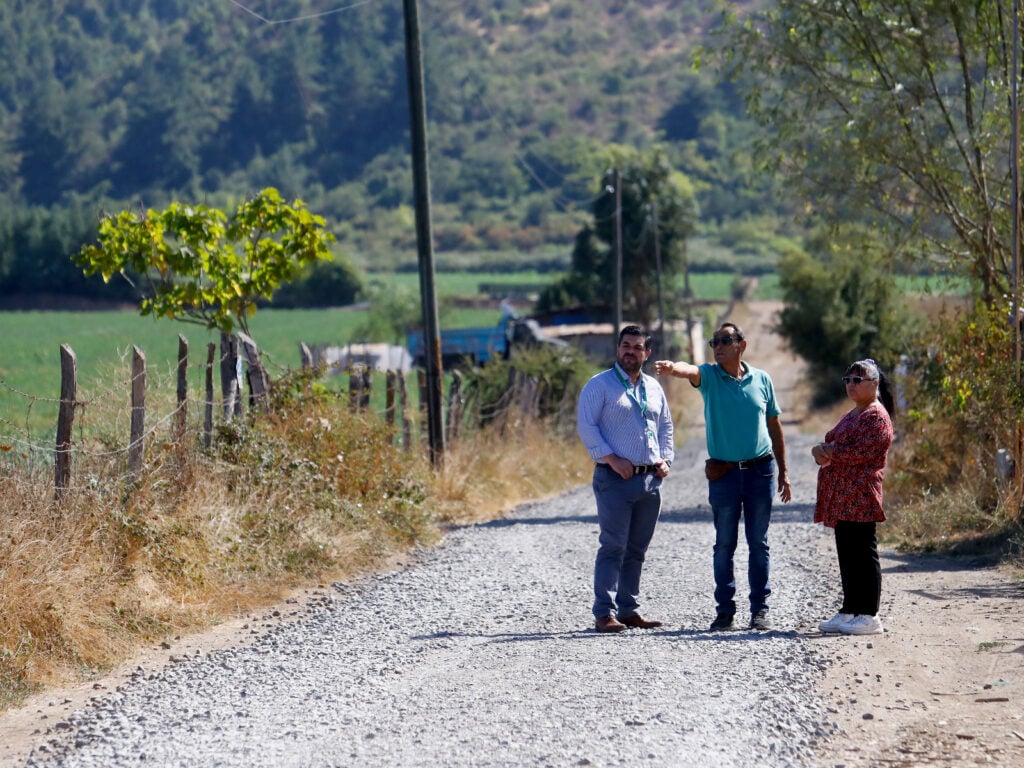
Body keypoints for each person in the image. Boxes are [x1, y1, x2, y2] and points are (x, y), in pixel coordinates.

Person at [654, 321, 791, 631]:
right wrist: (671, 367)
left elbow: (775, 426)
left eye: (725, 340)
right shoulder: (710, 377)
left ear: (741, 345)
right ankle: (725, 612)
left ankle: (760, 611)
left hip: (760, 471)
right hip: (724, 474)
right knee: (724, 545)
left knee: (759, 544)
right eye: (714, 341)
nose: (718, 346)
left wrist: (784, 472)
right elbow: (688, 370)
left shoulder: (762, 379)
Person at [577, 325, 675, 633]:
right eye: (625, 345)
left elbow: (666, 427)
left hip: (649, 481)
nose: (630, 351)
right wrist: (611, 458)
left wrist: (666, 459)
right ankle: (604, 613)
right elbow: (587, 427)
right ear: (618, 349)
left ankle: (629, 609)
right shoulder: (600, 385)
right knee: (613, 546)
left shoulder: (654, 388)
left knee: (636, 550)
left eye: (637, 346)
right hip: (614, 479)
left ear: (648, 353)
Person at [811, 359, 895, 636]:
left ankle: (869, 615)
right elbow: (834, 442)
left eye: (858, 380)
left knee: (863, 554)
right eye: (848, 380)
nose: (851, 384)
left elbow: (864, 452)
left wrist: (830, 451)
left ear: (875, 383)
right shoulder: (854, 413)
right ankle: (850, 610)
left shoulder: (876, 416)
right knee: (847, 553)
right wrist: (820, 451)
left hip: (861, 494)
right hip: (843, 496)